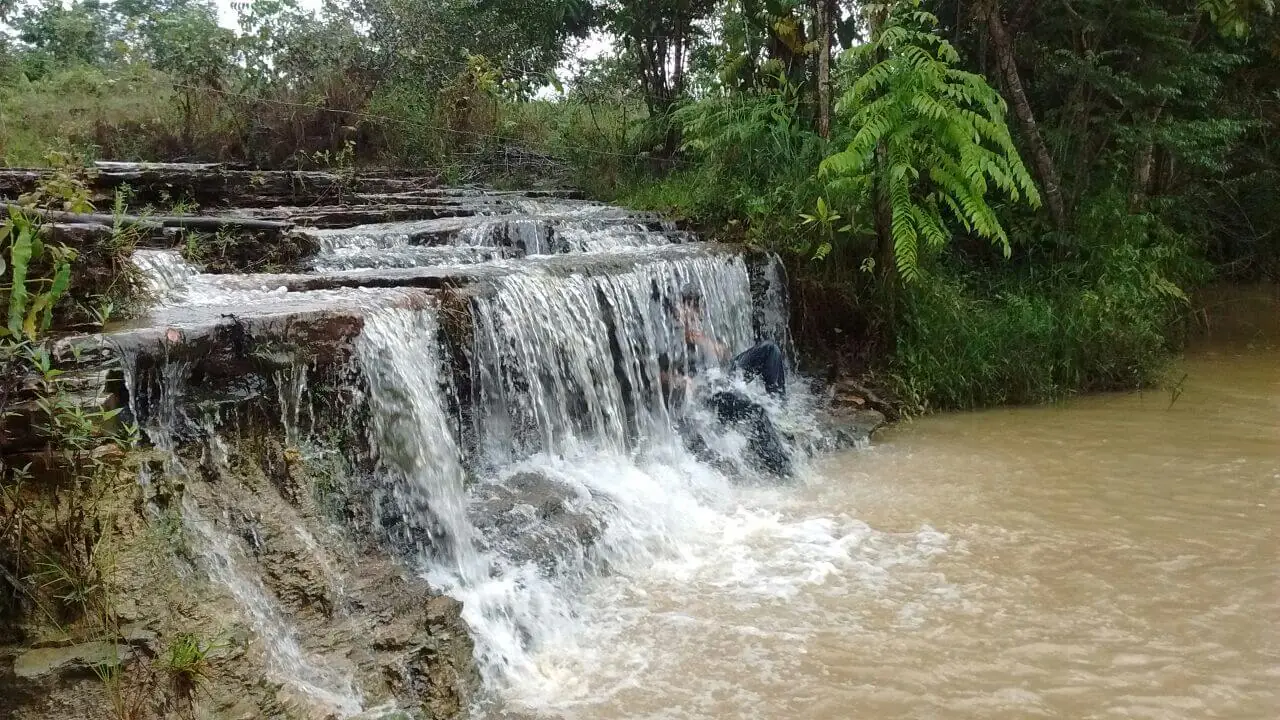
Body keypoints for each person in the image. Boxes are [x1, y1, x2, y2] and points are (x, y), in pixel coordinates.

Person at [660, 283, 793, 477]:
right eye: (688, 307)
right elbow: (651, 372)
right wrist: (680, 380)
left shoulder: (700, 329)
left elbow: (725, 353)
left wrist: (708, 344)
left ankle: (780, 413)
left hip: (721, 376)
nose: (695, 313)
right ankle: (782, 472)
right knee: (755, 412)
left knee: (770, 350)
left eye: (696, 307)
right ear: (677, 309)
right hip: (706, 393)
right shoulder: (666, 336)